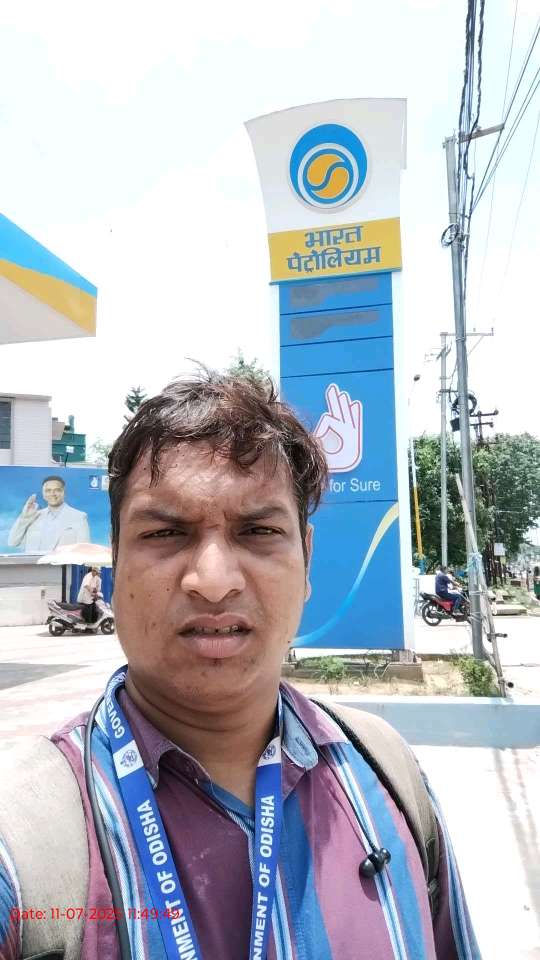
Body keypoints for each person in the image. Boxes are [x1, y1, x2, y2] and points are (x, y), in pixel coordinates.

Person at [0, 371, 480, 959]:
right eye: (166, 532)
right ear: (117, 563)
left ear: (306, 561)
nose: (213, 581)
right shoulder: (20, 837)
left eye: (258, 531)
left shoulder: (387, 776)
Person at [7, 475, 90, 552]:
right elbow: (12, 543)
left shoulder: (79, 517)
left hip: (62, 563)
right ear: (43, 494)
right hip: (33, 563)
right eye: (48, 490)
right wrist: (25, 517)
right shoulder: (34, 516)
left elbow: (84, 551)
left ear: (64, 493)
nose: (52, 494)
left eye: (57, 490)